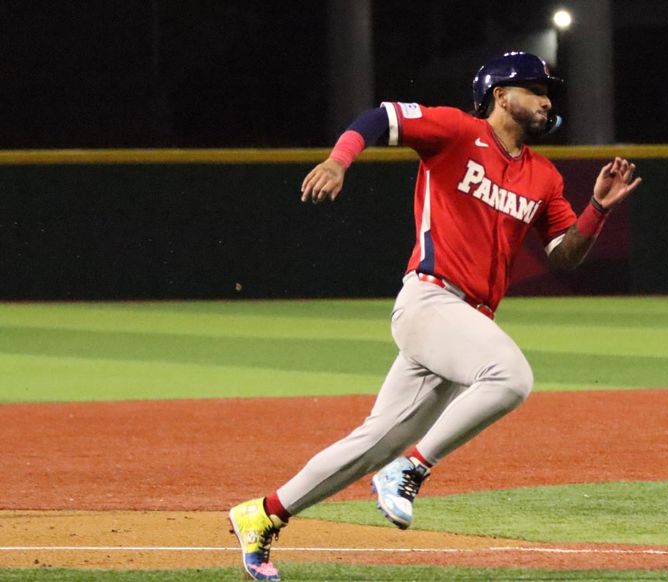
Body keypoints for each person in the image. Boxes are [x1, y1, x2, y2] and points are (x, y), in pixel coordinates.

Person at [228, 51, 641, 581]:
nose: (546, 100)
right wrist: (338, 160)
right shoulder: (455, 131)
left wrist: (598, 210)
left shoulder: (544, 176)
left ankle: (262, 515)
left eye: (548, 92)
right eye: (535, 89)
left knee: (372, 444)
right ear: (500, 95)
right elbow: (380, 116)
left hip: (467, 324)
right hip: (430, 300)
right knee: (511, 377)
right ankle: (411, 469)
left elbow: (563, 253)